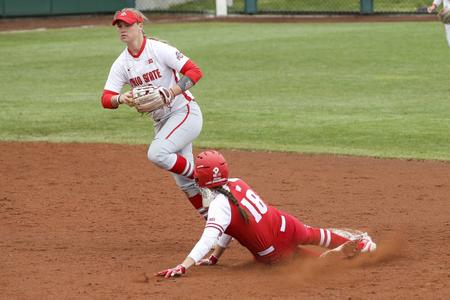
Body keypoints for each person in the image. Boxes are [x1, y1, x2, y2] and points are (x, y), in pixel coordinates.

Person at [156, 150, 377, 278]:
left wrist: (183, 265)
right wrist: (215, 257)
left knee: (315, 264)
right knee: (314, 234)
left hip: (274, 251)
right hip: (285, 224)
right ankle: (359, 243)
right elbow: (230, 225)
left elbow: (210, 236)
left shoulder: (218, 206)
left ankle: (345, 254)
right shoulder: (236, 183)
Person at [101, 8, 207, 219]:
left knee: (157, 154)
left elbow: (195, 72)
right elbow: (106, 99)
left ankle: (206, 179)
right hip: (162, 122)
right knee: (184, 183)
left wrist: (171, 91)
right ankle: (218, 226)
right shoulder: (122, 63)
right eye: (119, 26)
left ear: (140, 25)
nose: (123, 29)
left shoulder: (159, 50)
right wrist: (121, 98)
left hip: (184, 113)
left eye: (128, 25)